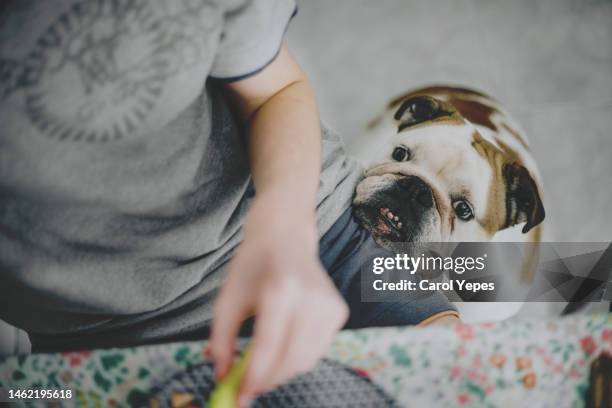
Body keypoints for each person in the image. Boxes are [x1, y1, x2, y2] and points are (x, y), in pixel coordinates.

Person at [0, 0, 457, 405]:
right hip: (89, 337)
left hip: (317, 229)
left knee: (463, 376)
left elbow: (276, 90)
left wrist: (283, 230)